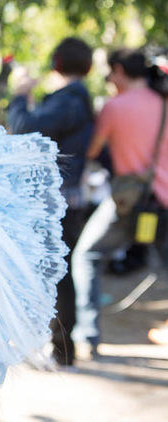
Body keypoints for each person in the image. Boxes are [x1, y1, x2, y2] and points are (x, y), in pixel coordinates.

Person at [74, 48, 168, 355]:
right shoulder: (164, 103)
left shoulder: (114, 107)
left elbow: (91, 151)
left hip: (130, 203)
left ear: (118, 71)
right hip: (164, 203)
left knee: (87, 256)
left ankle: (88, 335)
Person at [7, 37, 94, 366]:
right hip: (64, 202)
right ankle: (58, 347)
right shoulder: (76, 101)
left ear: (57, 62)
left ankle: (60, 349)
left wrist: (19, 96)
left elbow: (25, 130)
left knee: (53, 276)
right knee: (56, 274)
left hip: (55, 205)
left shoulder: (69, 101)